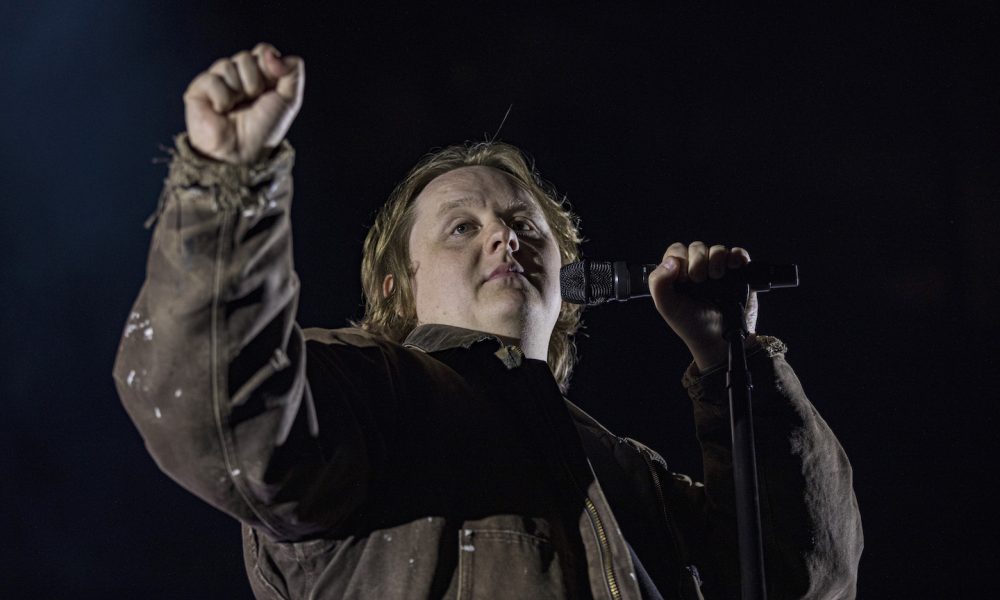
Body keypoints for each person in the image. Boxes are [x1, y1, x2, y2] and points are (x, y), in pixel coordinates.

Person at [113, 42, 863, 599]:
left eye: (522, 224)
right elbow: (219, 415)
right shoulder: (371, 396)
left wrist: (727, 359)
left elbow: (809, 576)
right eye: (461, 228)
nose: (504, 236)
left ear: (566, 280)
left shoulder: (624, 474)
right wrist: (228, 186)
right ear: (395, 286)